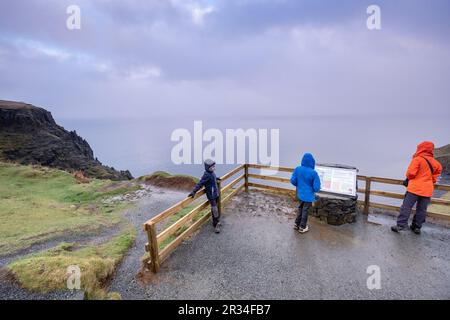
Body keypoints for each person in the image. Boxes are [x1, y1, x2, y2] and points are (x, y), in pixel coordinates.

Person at [391, 141, 442, 235]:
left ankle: (401, 225)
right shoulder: (436, 163)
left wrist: (412, 178)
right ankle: (417, 227)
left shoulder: (417, 159)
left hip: (414, 188)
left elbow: (410, 174)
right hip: (427, 190)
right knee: (422, 209)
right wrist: (432, 180)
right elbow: (436, 174)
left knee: (406, 207)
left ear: (421, 148)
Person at [290, 153, 321, 233]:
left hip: (300, 194)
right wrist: (314, 189)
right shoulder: (314, 173)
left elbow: (293, 180)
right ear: (312, 162)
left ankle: (296, 224)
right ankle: (302, 227)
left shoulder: (298, 169)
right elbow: (316, 188)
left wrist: (299, 185)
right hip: (308, 196)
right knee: (305, 210)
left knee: (300, 208)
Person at [188, 159, 221, 233]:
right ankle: (215, 225)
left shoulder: (212, 172)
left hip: (215, 193)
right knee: (215, 209)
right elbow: (200, 184)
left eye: (214, 166)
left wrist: (216, 178)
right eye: (212, 167)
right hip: (211, 196)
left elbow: (212, 178)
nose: (213, 168)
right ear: (208, 168)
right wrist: (194, 191)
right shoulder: (206, 175)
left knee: (215, 209)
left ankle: (216, 221)